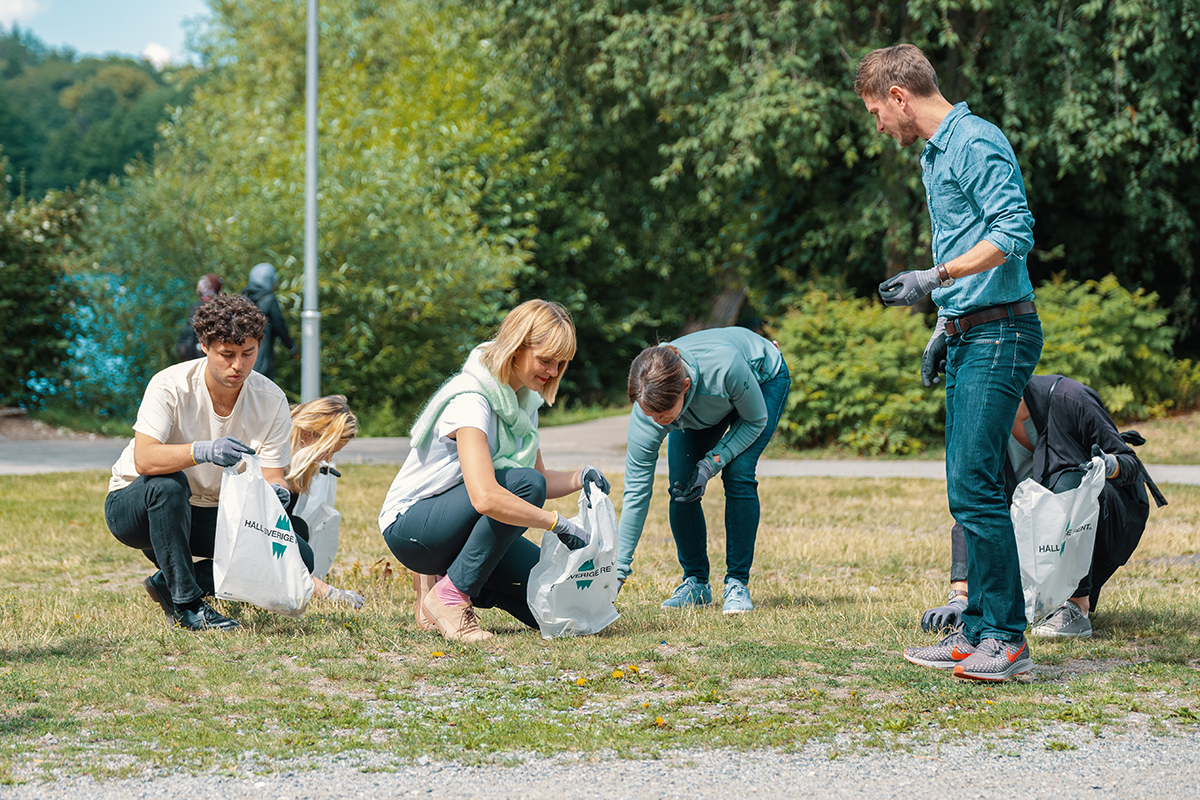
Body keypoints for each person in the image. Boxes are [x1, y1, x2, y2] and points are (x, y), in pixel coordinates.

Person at [856, 43, 1043, 681]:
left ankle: (1007, 638)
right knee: (967, 486)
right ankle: (975, 631)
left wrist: (935, 276)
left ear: (900, 96)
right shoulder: (937, 156)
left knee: (977, 486)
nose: (877, 125)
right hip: (970, 332)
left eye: (876, 109)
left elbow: (1014, 230)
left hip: (1002, 334)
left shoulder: (974, 143)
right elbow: (970, 242)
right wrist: (944, 321)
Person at [377, 300, 609, 642]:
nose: (553, 371)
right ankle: (450, 596)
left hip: (458, 528)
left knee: (560, 611)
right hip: (413, 530)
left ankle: (450, 579)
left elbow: (539, 476)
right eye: (545, 360)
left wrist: (581, 476)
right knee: (525, 485)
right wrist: (557, 523)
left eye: (561, 364)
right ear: (516, 348)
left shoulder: (523, 402)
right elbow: (487, 496)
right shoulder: (472, 400)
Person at [105, 293, 301, 631]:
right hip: (137, 506)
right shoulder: (170, 385)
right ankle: (187, 605)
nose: (238, 366)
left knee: (300, 550)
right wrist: (202, 450)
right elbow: (145, 458)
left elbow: (273, 474)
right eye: (227, 355)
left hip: (209, 510)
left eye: (248, 354)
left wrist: (276, 491)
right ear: (204, 346)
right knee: (169, 483)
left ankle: (169, 579)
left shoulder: (271, 400)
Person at [919, 375, 1167, 639]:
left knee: (1068, 480)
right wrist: (960, 596)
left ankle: (1076, 605)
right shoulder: (983, 424)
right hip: (1038, 531)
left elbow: (1131, 464)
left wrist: (1106, 465)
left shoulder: (1070, 397)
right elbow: (975, 505)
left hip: (1107, 513)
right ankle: (1043, 602)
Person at [617, 327, 789, 614]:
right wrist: (618, 571)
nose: (657, 422)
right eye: (650, 414)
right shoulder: (649, 409)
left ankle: (737, 583)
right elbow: (635, 492)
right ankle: (696, 583)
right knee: (681, 487)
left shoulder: (724, 366)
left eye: (664, 416)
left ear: (684, 387)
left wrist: (711, 464)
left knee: (738, 474)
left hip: (761, 381)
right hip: (708, 400)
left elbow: (755, 420)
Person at [286, 395, 366, 609]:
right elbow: (271, 535)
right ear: (307, 433)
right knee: (300, 545)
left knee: (299, 529)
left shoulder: (300, 464)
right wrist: (328, 592)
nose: (328, 460)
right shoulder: (275, 453)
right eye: (328, 450)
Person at [243, 262, 297, 380]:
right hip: (262, 354)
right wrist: (292, 348)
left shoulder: (243, 297)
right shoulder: (269, 299)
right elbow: (280, 326)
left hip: (242, 355)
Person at [175, 273, 223, 362]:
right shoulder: (196, 306)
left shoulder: (220, 308)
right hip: (193, 354)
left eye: (207, 288)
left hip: (207, 356)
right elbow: (189, 331)